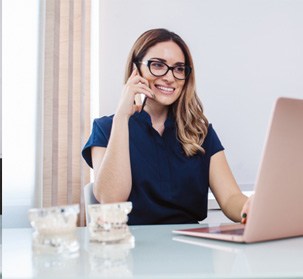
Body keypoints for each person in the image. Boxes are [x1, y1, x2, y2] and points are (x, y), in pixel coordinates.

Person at [82, 28, 252, 225]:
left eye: (179, 69)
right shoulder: (107, 128)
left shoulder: (200, 132)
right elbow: (111, 201)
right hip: (132, 247)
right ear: (135, 70)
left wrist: (249, 207)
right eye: (158, 65)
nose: (170, 77)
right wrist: (122, 116)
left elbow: (230, 197)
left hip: (190, 247)